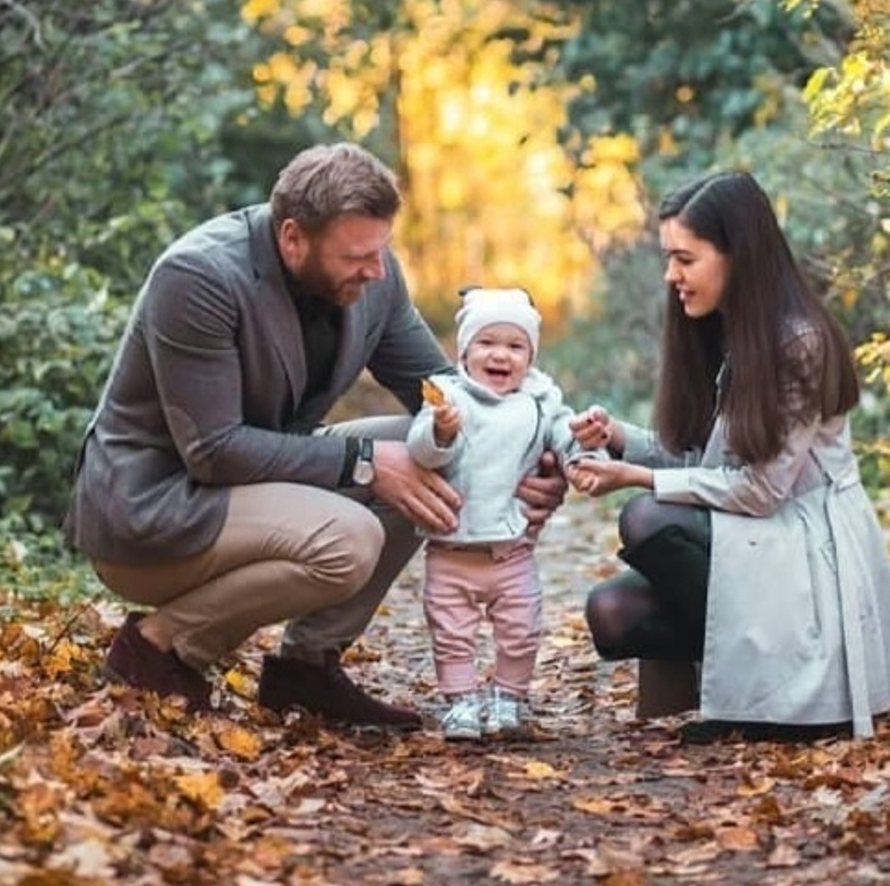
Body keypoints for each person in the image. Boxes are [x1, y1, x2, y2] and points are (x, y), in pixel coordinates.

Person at [63, 142, 565, 729]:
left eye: (381, 250)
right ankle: (158, 650)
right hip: (153, 513)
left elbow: (448, 401)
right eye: (358, 255)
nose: (377, 271)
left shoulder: (375, 274)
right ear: (294, 237)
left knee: (429, 444)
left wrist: (524, 461)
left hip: (249, 488)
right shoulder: (198, 276)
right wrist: (365, 462)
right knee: (347, 539)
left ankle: (305, 669)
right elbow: (213, 451)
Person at [567, 171, 890, 743]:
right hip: (757, 537)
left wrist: (634, 478)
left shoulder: (798, 342)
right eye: (669, 258)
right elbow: (704, 459)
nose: (671, 276)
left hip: (804, 543)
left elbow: (759, 490)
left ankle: (792, 703)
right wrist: (617, 438)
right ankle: (749, 692)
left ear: (737, 254)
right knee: (612, 612)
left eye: (685, 259)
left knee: (646, 518)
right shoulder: (723, 330)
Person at [406, 287, 604, 742]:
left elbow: (565, 437)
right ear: (465, 351)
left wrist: (583, 445)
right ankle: (460, 703)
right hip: (451, 546)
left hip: (511, 549)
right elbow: (422, 452)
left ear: (530, 356)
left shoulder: (541, 399)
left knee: (521, 628)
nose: (501, 356)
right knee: (451, 632)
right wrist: (439, 431)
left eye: (516, 346)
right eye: (487, 343)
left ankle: (508, 699)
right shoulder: (447, 397)